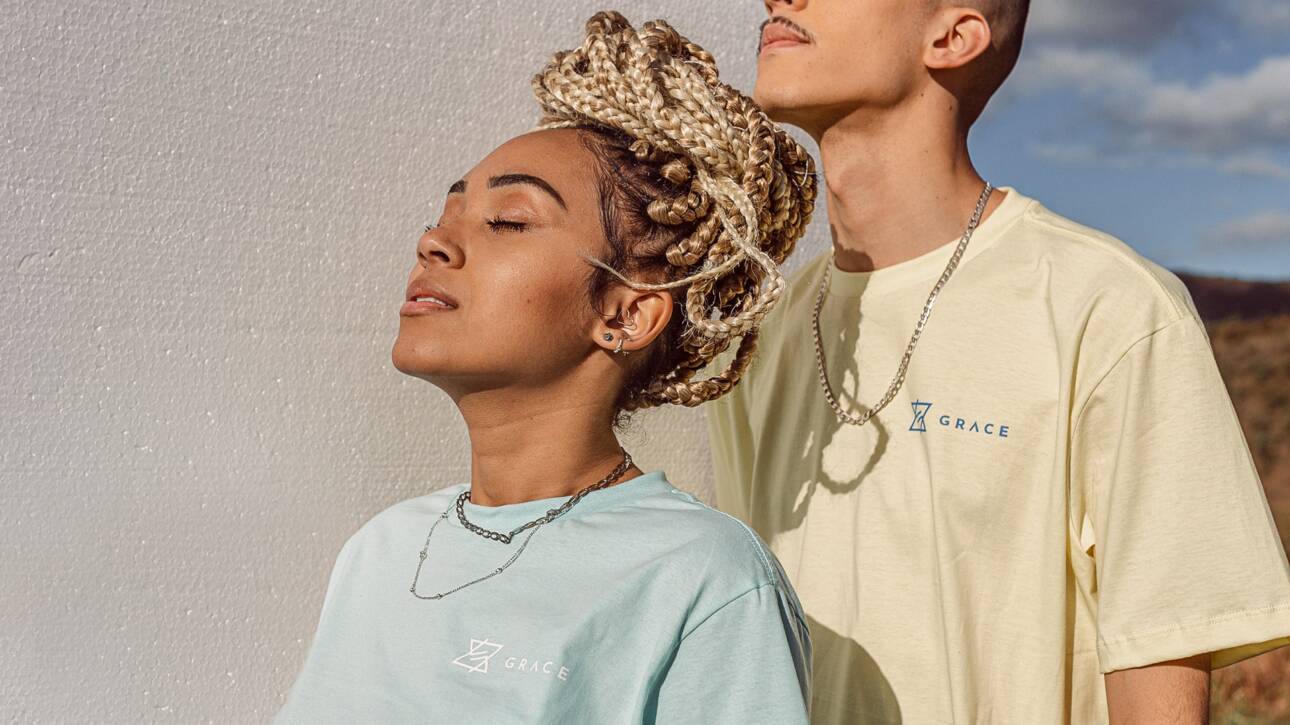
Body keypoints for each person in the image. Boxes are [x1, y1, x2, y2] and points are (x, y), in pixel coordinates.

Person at [706, 1, 1290, 723]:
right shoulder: (755, 341)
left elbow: (1157, 682)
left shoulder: (1111, 311)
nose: (779, 0)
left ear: (953, 37)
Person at [275, 12, 819, 724]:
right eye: (446, 215)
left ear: (626, 313)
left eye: (509, 221)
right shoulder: (382, 549)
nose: (435, 242)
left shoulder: (702, 577)